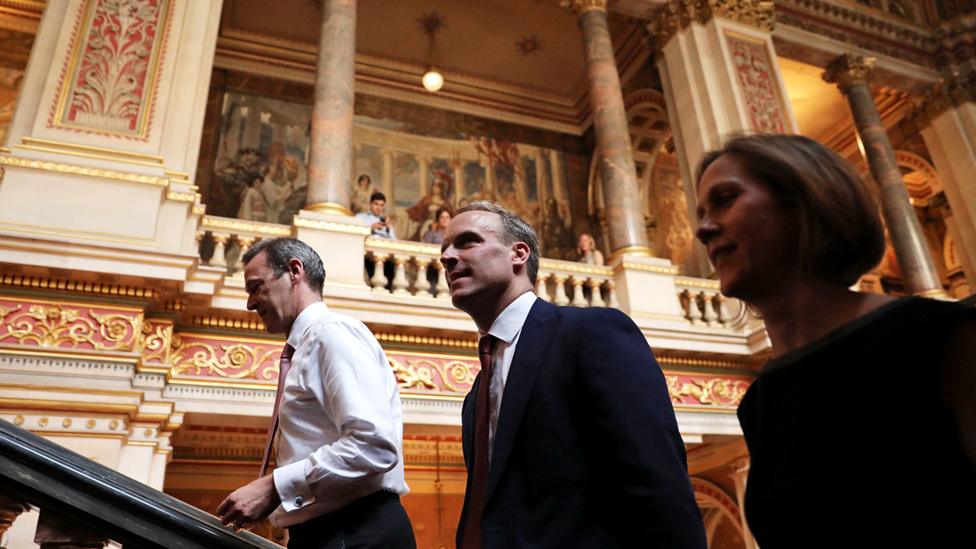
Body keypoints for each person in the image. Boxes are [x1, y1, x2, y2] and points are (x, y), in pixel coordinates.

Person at [694, 134, 976, 547]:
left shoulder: (942, 336)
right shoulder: (761, 401)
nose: (703, 229)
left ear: (803, 202)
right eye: (701, 212)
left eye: (725, 199)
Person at [440, 201, 706, 548]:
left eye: (466, 241)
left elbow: (657, 482)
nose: (447, 256)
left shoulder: (591, 332)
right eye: (444, 248)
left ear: (518, 254)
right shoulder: (476, 392)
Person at [216, 238, 415, 548]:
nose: (250, 303)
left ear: (295, 271)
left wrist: (273, 488)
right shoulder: (309, 344)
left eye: (256, 287)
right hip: (332, 533)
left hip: (354, 531)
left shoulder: (331, 333)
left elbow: (373, 445)